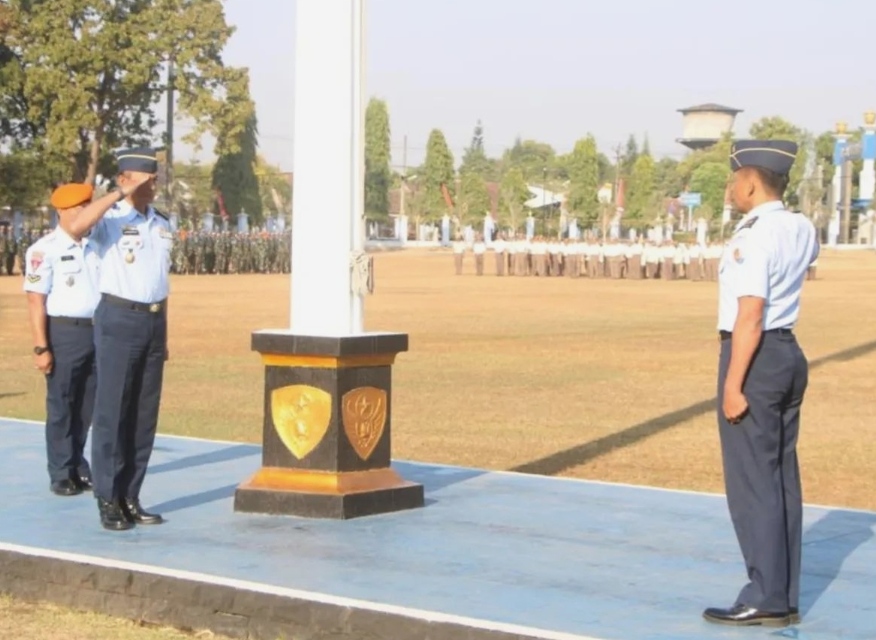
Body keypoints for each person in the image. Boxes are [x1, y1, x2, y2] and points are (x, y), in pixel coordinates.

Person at [703, 139, 819, 628]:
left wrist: (734, 384)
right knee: (779, 479)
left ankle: (765, 595)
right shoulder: (801, 227)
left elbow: (750, 313)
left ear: (750, 182)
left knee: (753, 482)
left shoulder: (753, 235)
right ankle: (782, 593)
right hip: (787, 351)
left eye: (734, 180)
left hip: (755, 354)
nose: (731, 190)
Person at [65, 148, 168, 531]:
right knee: (112, 411)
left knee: (143, 416)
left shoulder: (160, 222)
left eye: (154, 179)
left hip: (153, 322)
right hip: (118, 319)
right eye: (147, 179)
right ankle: (107, 497)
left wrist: (165, 333)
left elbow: (161, 282)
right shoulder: (109, 219)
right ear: (127, 179)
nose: (154, 185)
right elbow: (76, 228)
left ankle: (130, 495)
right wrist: (116, 194)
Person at [23, 184, 102, 496]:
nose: (84, 213)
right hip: (65, 332)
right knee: (62, 403)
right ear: (62, 212)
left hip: (97, 330)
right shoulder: (44, 250)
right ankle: (60, 471)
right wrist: (41, 346)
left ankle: (77, 464)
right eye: (77, 209)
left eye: (87, 207)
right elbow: (35, 301)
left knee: (87, 405)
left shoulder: (96, 244)